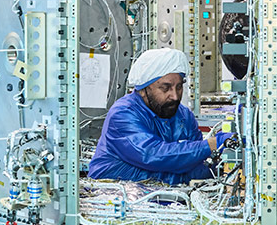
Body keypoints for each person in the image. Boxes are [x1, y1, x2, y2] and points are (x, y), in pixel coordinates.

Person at [89, 48, 217, 185]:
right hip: (113, 196)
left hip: (168, 198)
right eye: (165, 88)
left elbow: (198, 164)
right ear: (144, 89)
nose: (174, 96)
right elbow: (152, 155)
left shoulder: (183, 116)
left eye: (179, 87)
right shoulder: (123, 114)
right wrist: (209, 146)